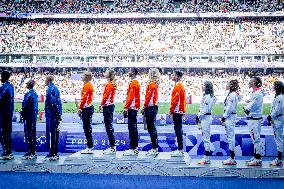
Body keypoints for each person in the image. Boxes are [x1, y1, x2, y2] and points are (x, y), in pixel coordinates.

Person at [243, 77, 264, 166]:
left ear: (255, 82)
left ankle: (258, 159)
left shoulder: (258, 94)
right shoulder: (255, 93)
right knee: (255, 139)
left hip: (254, 120)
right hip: (253, 119)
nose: (249, 82)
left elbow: (252, 106)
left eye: (251, 81)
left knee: (256, 139)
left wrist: (246, 108)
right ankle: (256, 157)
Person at [196, 81, 216, 164]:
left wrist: (198, 116)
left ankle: (207, 158)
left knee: (206, 138)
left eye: (204, 85)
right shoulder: (208, 96)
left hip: (205, 118)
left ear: (207, 87)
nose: (202, 86)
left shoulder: (208, 97)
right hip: (206, 117)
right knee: (206, 138)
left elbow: (205, 109)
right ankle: (206, 157)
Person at [221, 80, 239, 165]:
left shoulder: (232, 95)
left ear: (231, 86)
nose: (226, 85)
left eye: (228, 84)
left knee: (231, 137)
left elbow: (229, 108)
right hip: (230, 116)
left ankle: (232, 158)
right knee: (230, 137)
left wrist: (224, 116)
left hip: (230, 117)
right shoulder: (232, 94)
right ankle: (232, 157)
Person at [123, 68, 140, 156]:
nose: (128, 72)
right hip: (134, 107)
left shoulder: (133, 82)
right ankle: (135, 148)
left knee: (132, 128)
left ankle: (133, 148)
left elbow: (131, 96)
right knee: (133, 128)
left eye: (129, 71)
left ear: (133, 73)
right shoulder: (134, 82)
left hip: (132, 108)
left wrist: (126, 107)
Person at [45, 75, 62, 161]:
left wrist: (56, 113)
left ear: (48, 80)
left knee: (51, 134)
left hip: (52, 115)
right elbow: (58, 102)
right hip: (56, 114)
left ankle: (52, 154)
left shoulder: (49, 89)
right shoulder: (55, 88)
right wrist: (59, 114)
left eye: (45, 79)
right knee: (56, 134)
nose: (44, 81)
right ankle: (55, 153)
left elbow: (53, 103)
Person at [143, 68, 160, 155]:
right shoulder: (154, 84)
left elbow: (148, 97)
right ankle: (154, 147)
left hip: (150, 108)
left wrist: (144, 106)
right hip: (153, 107)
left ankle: (154, 148)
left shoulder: (152, 84)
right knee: (152, 128)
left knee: (151, 128)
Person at [100, 69, 117, 154]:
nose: (104, 73)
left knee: (108, 126)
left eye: (106, 72)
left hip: (108, 106)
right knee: (109, 126)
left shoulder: (109, 85)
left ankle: (112, 147)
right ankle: (112, 146)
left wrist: (101, 104)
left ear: (109, 75)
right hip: (109, 106)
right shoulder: (109, 84)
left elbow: (106, 96)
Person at [267, 80, 284, 166]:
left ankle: (279, 159)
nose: (273, 87)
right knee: (278, 139)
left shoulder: (280, 97)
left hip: (278, 120)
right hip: (276, 119)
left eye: (274, 86)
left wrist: (271, 116)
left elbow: (277, 110)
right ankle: (279, 158)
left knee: (278, 139)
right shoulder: (278, 96)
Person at [170, 71, 186, 157]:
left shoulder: (178, 86)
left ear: (177, 77)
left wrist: (171, 110)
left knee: (178, 130)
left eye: (173, 74)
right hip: (178, 110)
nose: (171, 76)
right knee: (178, 129)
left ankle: (180, 149)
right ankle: (180, 149)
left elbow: (175, 100)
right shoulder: (179, 85)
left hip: (177, 111)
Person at [21, 80, 38, 160]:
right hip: (33, 116)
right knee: (32, 134)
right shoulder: (35, 94)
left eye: (27, 84)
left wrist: (22, 114)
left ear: (29, 85)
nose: (26, 85)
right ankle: (32, 151)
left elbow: (24, 106)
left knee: (29, 134)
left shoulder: (28, 94)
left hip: (28, 116)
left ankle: (31, 152)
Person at [78, 72, 95, 154]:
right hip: (88, 107)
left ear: (87, 77)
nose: (81, 76)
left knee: (87, 128)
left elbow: (84, 98)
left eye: (83, 75)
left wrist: (80, 108)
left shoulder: (87, 85)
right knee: (87, 128)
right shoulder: (88, 85)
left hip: (86, 108)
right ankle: (90, 146)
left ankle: (90, 147)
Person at [0, 70, 14, 160]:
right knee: (7, 132)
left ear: (3, 77)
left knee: (4, 133)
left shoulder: (4, 87)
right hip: (9, 112)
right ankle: (9, 152)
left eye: (1, 76)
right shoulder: (11, 86)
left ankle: (7, 152)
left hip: (4, 113)